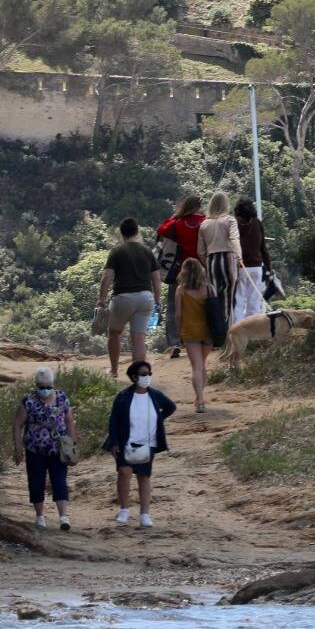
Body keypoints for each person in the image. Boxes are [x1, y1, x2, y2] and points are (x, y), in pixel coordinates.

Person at [102, 359, 176, 529]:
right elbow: (114, 421)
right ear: (134, 377)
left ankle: (144, 514)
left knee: (144, 477)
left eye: (149, 374)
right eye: (143, 374)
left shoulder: (155, 395)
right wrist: (114, 443)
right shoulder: (123, 397)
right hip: (125, 442)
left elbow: (171, 407)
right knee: (124, 473)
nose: (147, 377)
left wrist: (158, 419)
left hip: (148, 443)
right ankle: (124, 510)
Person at [11, 366, 75, 531]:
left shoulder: (62, 398)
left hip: (58, 449)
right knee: (36, 481)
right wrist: (18, 447)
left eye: (48, 386)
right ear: (36, 385)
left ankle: (64, 516)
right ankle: (40, 516)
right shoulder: (28, 401)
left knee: (59, 481)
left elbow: (69, 420)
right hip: (35, 450)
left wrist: (72, 443)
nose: (45, 390)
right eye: (42, 387)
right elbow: (17, 425)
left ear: (53, 384)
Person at [98, 218, 162, 381]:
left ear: (122, 233)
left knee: (114, 333)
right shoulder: (147, 251)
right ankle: (139, 375)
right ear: (137, 231)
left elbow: (107, 277)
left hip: (123, 297)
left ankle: (114, 371)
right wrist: (157, 300)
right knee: (139, 339)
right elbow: (156, 279)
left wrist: (101, 300)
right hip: (145, 297)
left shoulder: (117, 251)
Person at [156, 195, 206, 355]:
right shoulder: (204, 221)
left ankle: (174, 342)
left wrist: (175, 216)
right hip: (200, 269)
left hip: (181, 269)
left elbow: (161, 230)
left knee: (173, 305)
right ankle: (204, 338)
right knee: (203, 303)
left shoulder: (176, 223)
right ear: (198, 207)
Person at [173, 257, 215, 413]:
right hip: (208, 331)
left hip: (190, 332)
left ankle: (200, 400)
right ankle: (199, 397)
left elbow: (178, 315)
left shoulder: (180, 290)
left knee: (196, 367)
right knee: (202, 364)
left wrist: (179, 333)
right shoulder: (209, 288)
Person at [198, 191, 243, 330]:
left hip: (211, 260)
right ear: (226, 204)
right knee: (228, 296)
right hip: (227, 258)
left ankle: (215, 330)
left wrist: (207, 264)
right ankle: (227, 331)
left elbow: (200, 251)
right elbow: (234, 239)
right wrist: (239, 257)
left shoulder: (204, 224)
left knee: (214, 295)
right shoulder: (230, 220)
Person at [231, 197, 270, 324]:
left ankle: (238, 327)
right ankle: (253, 327)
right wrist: (269, 268)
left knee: (239, 300)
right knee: (254, 301)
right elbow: (263, 248)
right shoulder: (257, 223)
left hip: (240, 266)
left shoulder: (234, 223)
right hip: (256, 266)